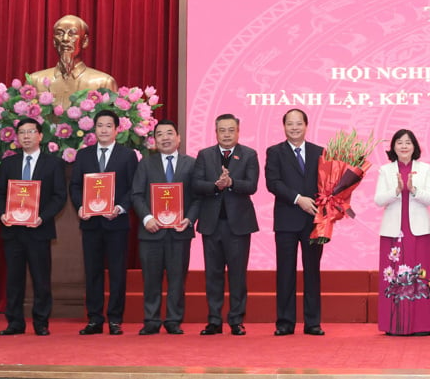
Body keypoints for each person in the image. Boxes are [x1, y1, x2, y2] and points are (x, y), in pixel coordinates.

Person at [0, 119, 66, 336]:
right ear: (16, 137)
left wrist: (42, 217)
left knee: (41, 278)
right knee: (14, 279)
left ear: (40, 136)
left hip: (39, 230)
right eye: (22, 132)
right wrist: (3, 213)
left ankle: (41, 322)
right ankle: (14, 322)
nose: (26, 136)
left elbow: (59, 196)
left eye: (31, 132)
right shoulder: (8, 164)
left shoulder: (53, 164)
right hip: (13, 231)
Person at [69, 109, 139, 335]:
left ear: (117, 130)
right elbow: (76, 186)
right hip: (91, 224)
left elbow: (133, 188)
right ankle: (94, 319)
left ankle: (116, 319)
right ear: (94, 129)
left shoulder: (127, 155)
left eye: (109, 126)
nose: (104, 130)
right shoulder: (84, 155)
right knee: (93, 272)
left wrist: (119, 208)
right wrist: (81, 206)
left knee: (118, 272)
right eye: (100, 125)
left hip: (116, 223)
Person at [192, 113, 260, 336]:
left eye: (231, 130)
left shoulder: (249, 154)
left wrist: (231, 183)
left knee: (238, 275)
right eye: (223, 130)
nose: (227, 134)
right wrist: (215, 185)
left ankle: (236, 320)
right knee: (213, 274)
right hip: (212, 224)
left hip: (239, 225)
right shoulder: (204, 155)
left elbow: (251, 185)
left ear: (238, 131)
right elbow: (196, 184)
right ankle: (214, 320)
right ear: (216, 132)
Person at [130, 119, 199, 335]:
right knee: (151, 278)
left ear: (178, 138)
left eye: (170, 133)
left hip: (180, 231)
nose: (165, 138)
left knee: (177, 278)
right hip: (152, 231)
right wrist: (147, 218)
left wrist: (189, 219)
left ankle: (173, 320)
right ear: (154, 140)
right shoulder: (146, 164)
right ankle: (151, 320)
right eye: (160, 134)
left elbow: (198, 197)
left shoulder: (192, 163)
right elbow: (136, 194)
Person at [265, 108, 325, 336]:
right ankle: (285, 322)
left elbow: (325, 185)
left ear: (306, 125)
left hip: (313, 222)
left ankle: (313, 323)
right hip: (286, 221)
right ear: (284, 127)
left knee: (313, 272)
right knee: (285, 272)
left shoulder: (319, 152)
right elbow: (273, 183)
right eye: (290, 124)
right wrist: (298, 199)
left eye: (298, 123)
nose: (294, 128)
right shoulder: (274, 152)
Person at [373, 129, 430, 336]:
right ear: (393, 147)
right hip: (394, 231)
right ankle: (393, 325)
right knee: (393, 278)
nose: (403, 146)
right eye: (399, 142)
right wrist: (396, 191)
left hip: (418, 231)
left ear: (414, 146)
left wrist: (414, 190)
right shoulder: (385, 170)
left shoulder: (425, 169)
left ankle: (421, 325)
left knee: (420, 277)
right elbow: (378, 200)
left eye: (408, 142)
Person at [29, 14, 117, 106]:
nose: (65, 39)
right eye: (60, 34)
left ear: (85, 41)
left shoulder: (103, 82)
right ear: (54, 41)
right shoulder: (35, 80)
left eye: (72, 34)